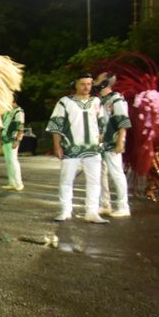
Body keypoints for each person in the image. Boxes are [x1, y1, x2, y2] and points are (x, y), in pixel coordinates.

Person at [47, 73, 107, 223]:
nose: (86, 87)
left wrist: (101, 140)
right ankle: (65, 210)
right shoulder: (65, 102)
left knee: (94, 181)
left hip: (92, 148)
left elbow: (102, 124)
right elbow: (56, 125)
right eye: (83, 84)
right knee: (66, 179)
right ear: (75, 84)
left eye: (89, 84)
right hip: (71, 147)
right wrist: (57, 146)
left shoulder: (96, 101)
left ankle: (92, 212)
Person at [95, 71, 132, 217]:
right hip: (100, 143)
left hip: (112, 141)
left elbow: (123, 121)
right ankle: (105, 204)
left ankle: (123, 206)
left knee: (116, 173)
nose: (95, 82)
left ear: (105, 82)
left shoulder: (116, 98)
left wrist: (120, 142)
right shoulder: (99, 100)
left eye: (98, 79)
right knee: (100, 174)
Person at [0, 101, 25, 190]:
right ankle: (12, 182)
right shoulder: (8, 111)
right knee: (8, 161)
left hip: (12, 139)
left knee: (13, 161)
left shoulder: (18, 112)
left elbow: (20, 127)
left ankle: (19, 183)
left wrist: (17, 140)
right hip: (5, 139)